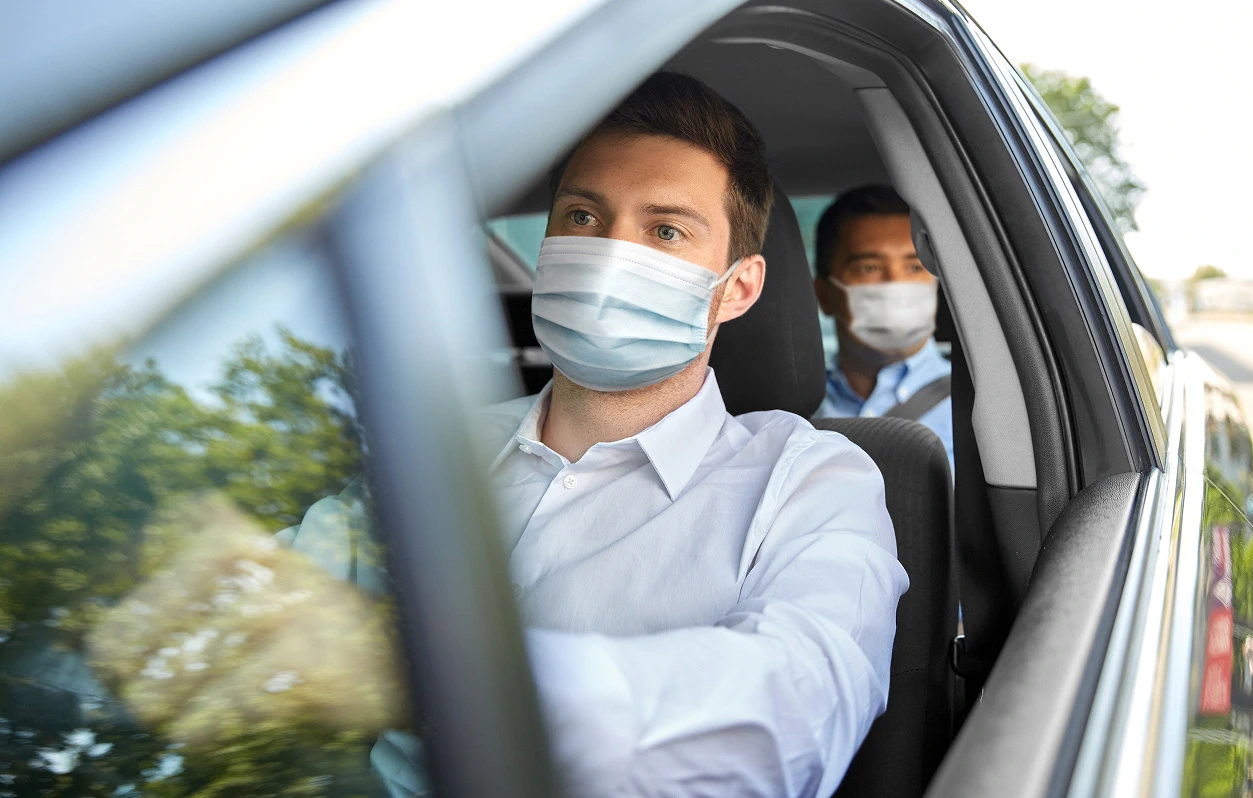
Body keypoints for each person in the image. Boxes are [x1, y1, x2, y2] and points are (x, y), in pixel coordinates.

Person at [280, 72, 907, 797]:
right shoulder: (434, 447)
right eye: (582, 217)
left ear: (736, 288)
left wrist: (427, 677)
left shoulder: (810, 479)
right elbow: (280, 598)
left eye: (665, 231)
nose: (611, 254)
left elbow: (795, 709)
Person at [813, 185, 954, 467]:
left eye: (915, 268)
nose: (895, 284)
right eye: (870, 268)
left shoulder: (980, 408)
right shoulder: (792, 409)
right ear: (824, 295)